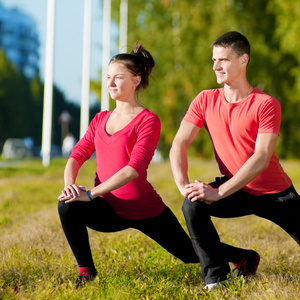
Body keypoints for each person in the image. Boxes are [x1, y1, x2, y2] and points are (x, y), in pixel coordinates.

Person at [57, 43, 199, 288]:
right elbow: (77, 155)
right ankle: (86, 272)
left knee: (189, 254)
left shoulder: (148, 120)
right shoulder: (100, 118)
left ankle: (243, 257)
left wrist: (90, 194)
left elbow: (134, 169)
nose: (110, 83)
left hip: (143, 209)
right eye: (108, 77)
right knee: (67, 205)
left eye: (118, 78)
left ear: (136, 80)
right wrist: (71, 187)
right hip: (108, 209)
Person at [169, 31, 300, 291]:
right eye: (213, 60)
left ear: (243, 60)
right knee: (192, 205)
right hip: (236, 189)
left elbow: (261, 158)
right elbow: (179, 143)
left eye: (223, 60)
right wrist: (183, 185)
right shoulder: (205, 99)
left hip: (275, 193)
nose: (216, 66)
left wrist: (219, 192)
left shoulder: (266, 104)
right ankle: (217, 279)